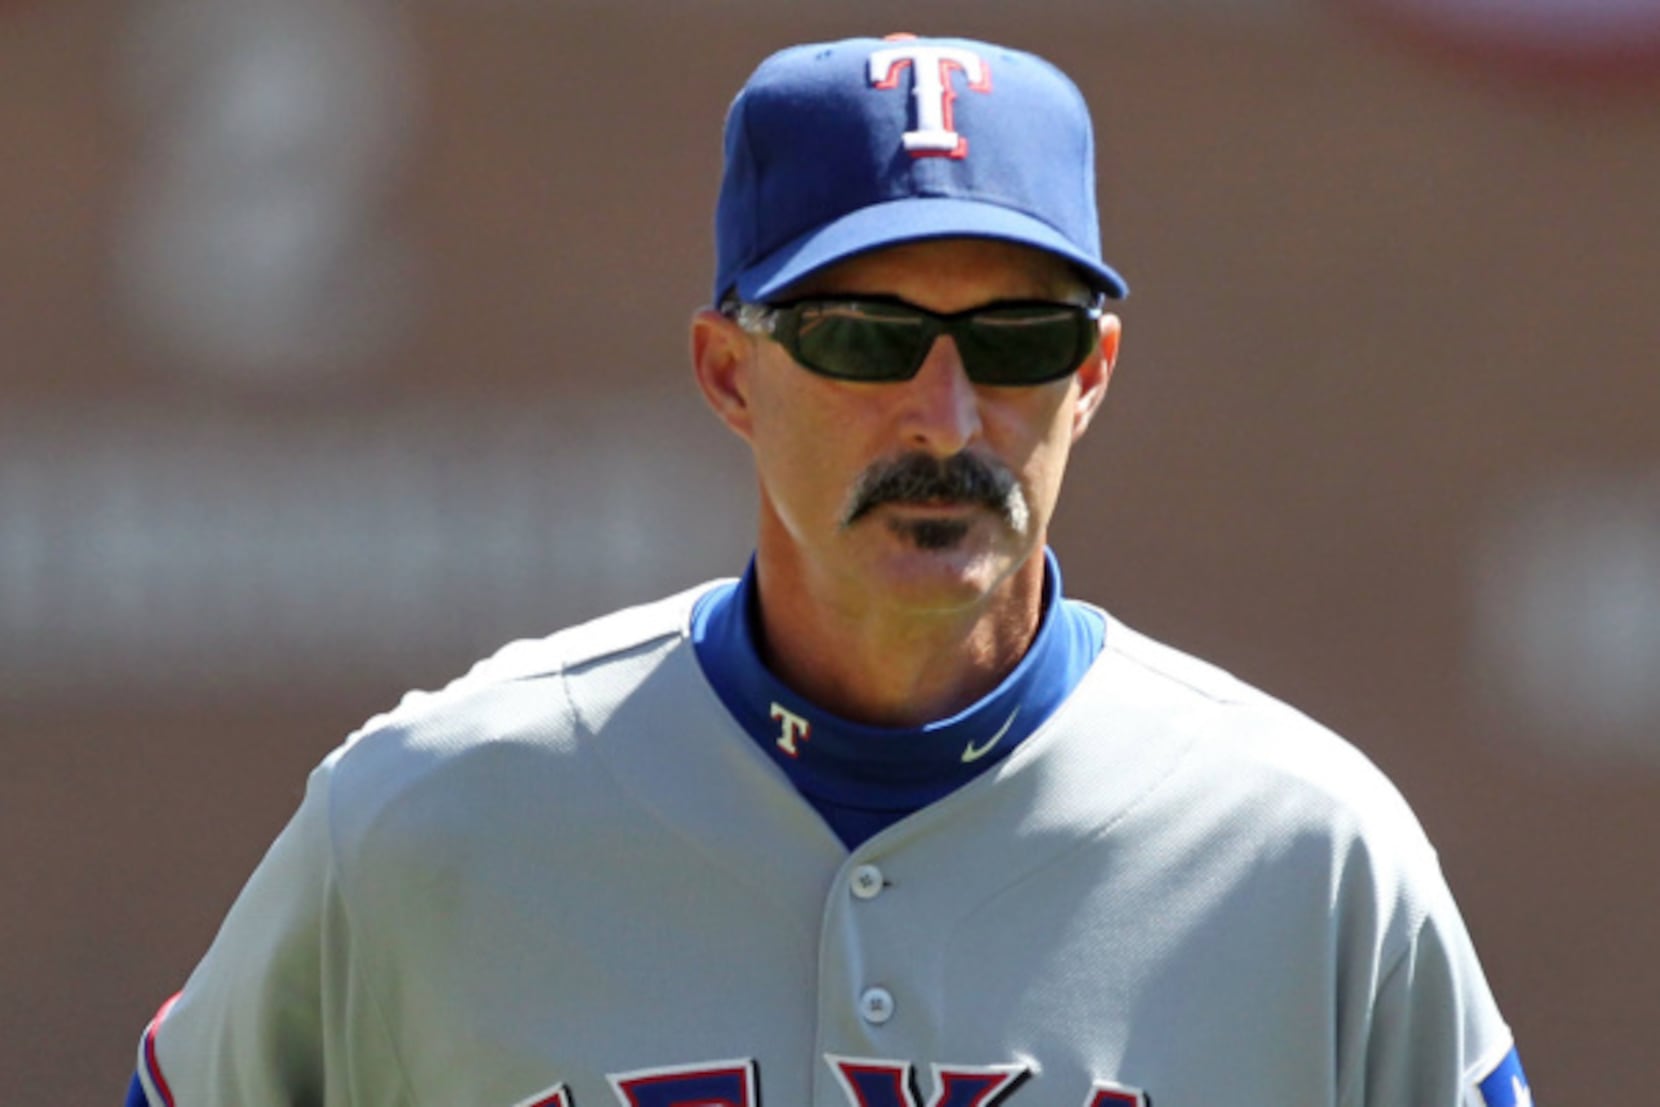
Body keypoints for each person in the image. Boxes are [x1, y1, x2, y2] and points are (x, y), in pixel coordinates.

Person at [125, 33, 1534, 1107]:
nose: (948, 418)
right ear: (731, 373)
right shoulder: (426, 822)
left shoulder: (1309, 857)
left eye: (1018, 340)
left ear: (1093, 375)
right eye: (864, 337)